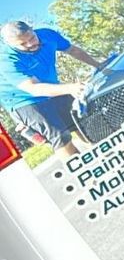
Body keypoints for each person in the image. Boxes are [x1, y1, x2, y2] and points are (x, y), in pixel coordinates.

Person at [0, 20, 102, 159]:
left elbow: (73, 50)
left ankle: (108, 155)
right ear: (10, 44)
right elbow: (34, 88)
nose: (30, 44)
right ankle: (85, 171)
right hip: (24, 100)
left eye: (32, 38)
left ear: (32, 29)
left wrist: (98, 65)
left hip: (52, 87)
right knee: (60, 136)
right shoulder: (7, 60)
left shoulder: (47, 35)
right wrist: (70, 88)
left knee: (83, 121)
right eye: (23, 44)